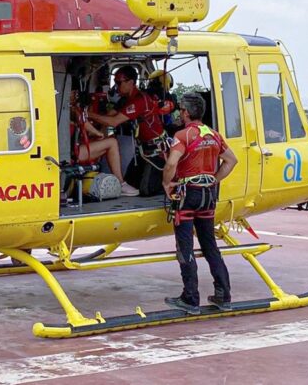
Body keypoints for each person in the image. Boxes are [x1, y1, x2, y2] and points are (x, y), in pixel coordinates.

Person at [161, 92, 238, 315]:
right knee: (210, 246)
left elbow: (171, 164)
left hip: (187, 195)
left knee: (185, 248)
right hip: (208, 195)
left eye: (181, 110)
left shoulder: (183, 136)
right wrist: (214, 178)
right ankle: (223, 295)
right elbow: (231, 160)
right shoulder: (214, 135)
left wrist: (167, 184)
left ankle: (190, 298)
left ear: (185, 112)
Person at [88, 66, 171, 195]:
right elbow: (110, 114)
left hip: (156, 152)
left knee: (147, 191)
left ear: (131, 82)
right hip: (143, 151)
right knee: (132, 185)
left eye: (119, 82)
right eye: (115, 82)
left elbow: (114, 121)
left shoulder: (139, 100)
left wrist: (89, 115)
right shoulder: (126, 99)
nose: (116, 86)